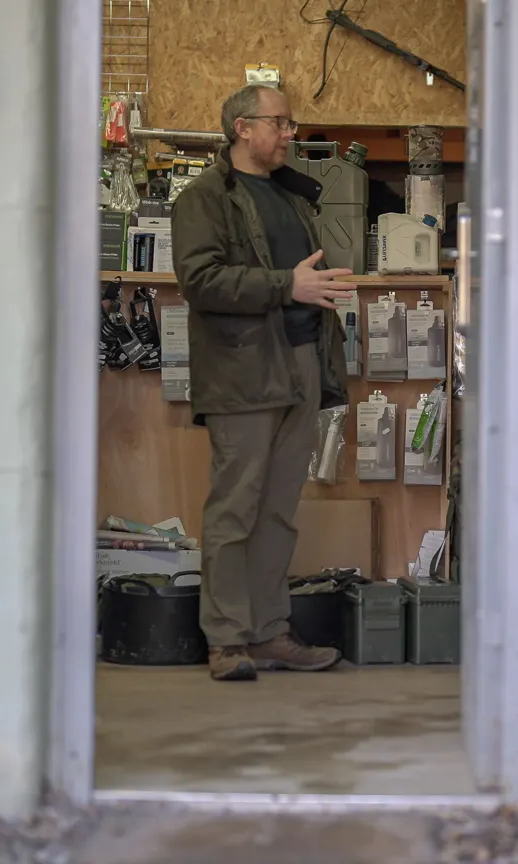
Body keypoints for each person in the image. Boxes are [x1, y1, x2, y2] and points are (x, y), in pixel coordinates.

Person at [172, 84, 356, 681]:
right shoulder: (204, 198)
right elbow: (201, 281)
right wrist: (286, 285)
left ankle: (271, 632)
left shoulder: (292, 197)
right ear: (243, 128)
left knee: (278, 510)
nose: (289, 134)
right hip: (243, 371)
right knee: (235, 510)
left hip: (301, 363)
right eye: (280, 123)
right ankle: (227, 641)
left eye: (290, 124)